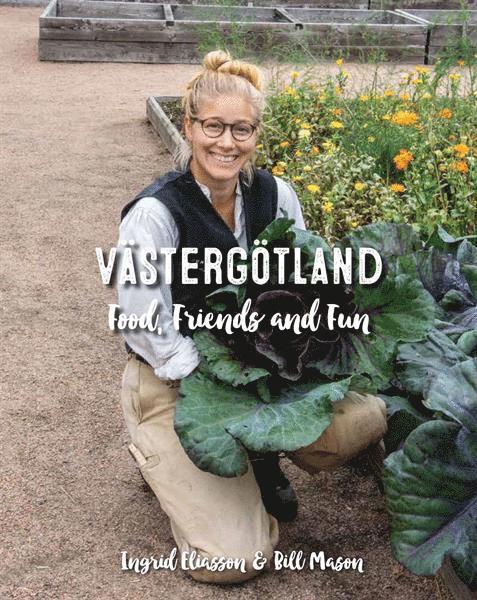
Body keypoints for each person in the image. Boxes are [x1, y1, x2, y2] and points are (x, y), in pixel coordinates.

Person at [118, 50, 387, 585]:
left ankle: (259, 457)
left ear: (256, 134)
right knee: (234, 560)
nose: (227, 142)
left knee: (365, 419)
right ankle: (162, 454)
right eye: (213, 126)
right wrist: (226, 380)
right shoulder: (155, 214)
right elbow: (147, 327)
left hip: (256, 377)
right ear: (189, 126)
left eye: (241, 129)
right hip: (176, 384)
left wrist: (295, 355)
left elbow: (307, 280)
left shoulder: (276, 195)